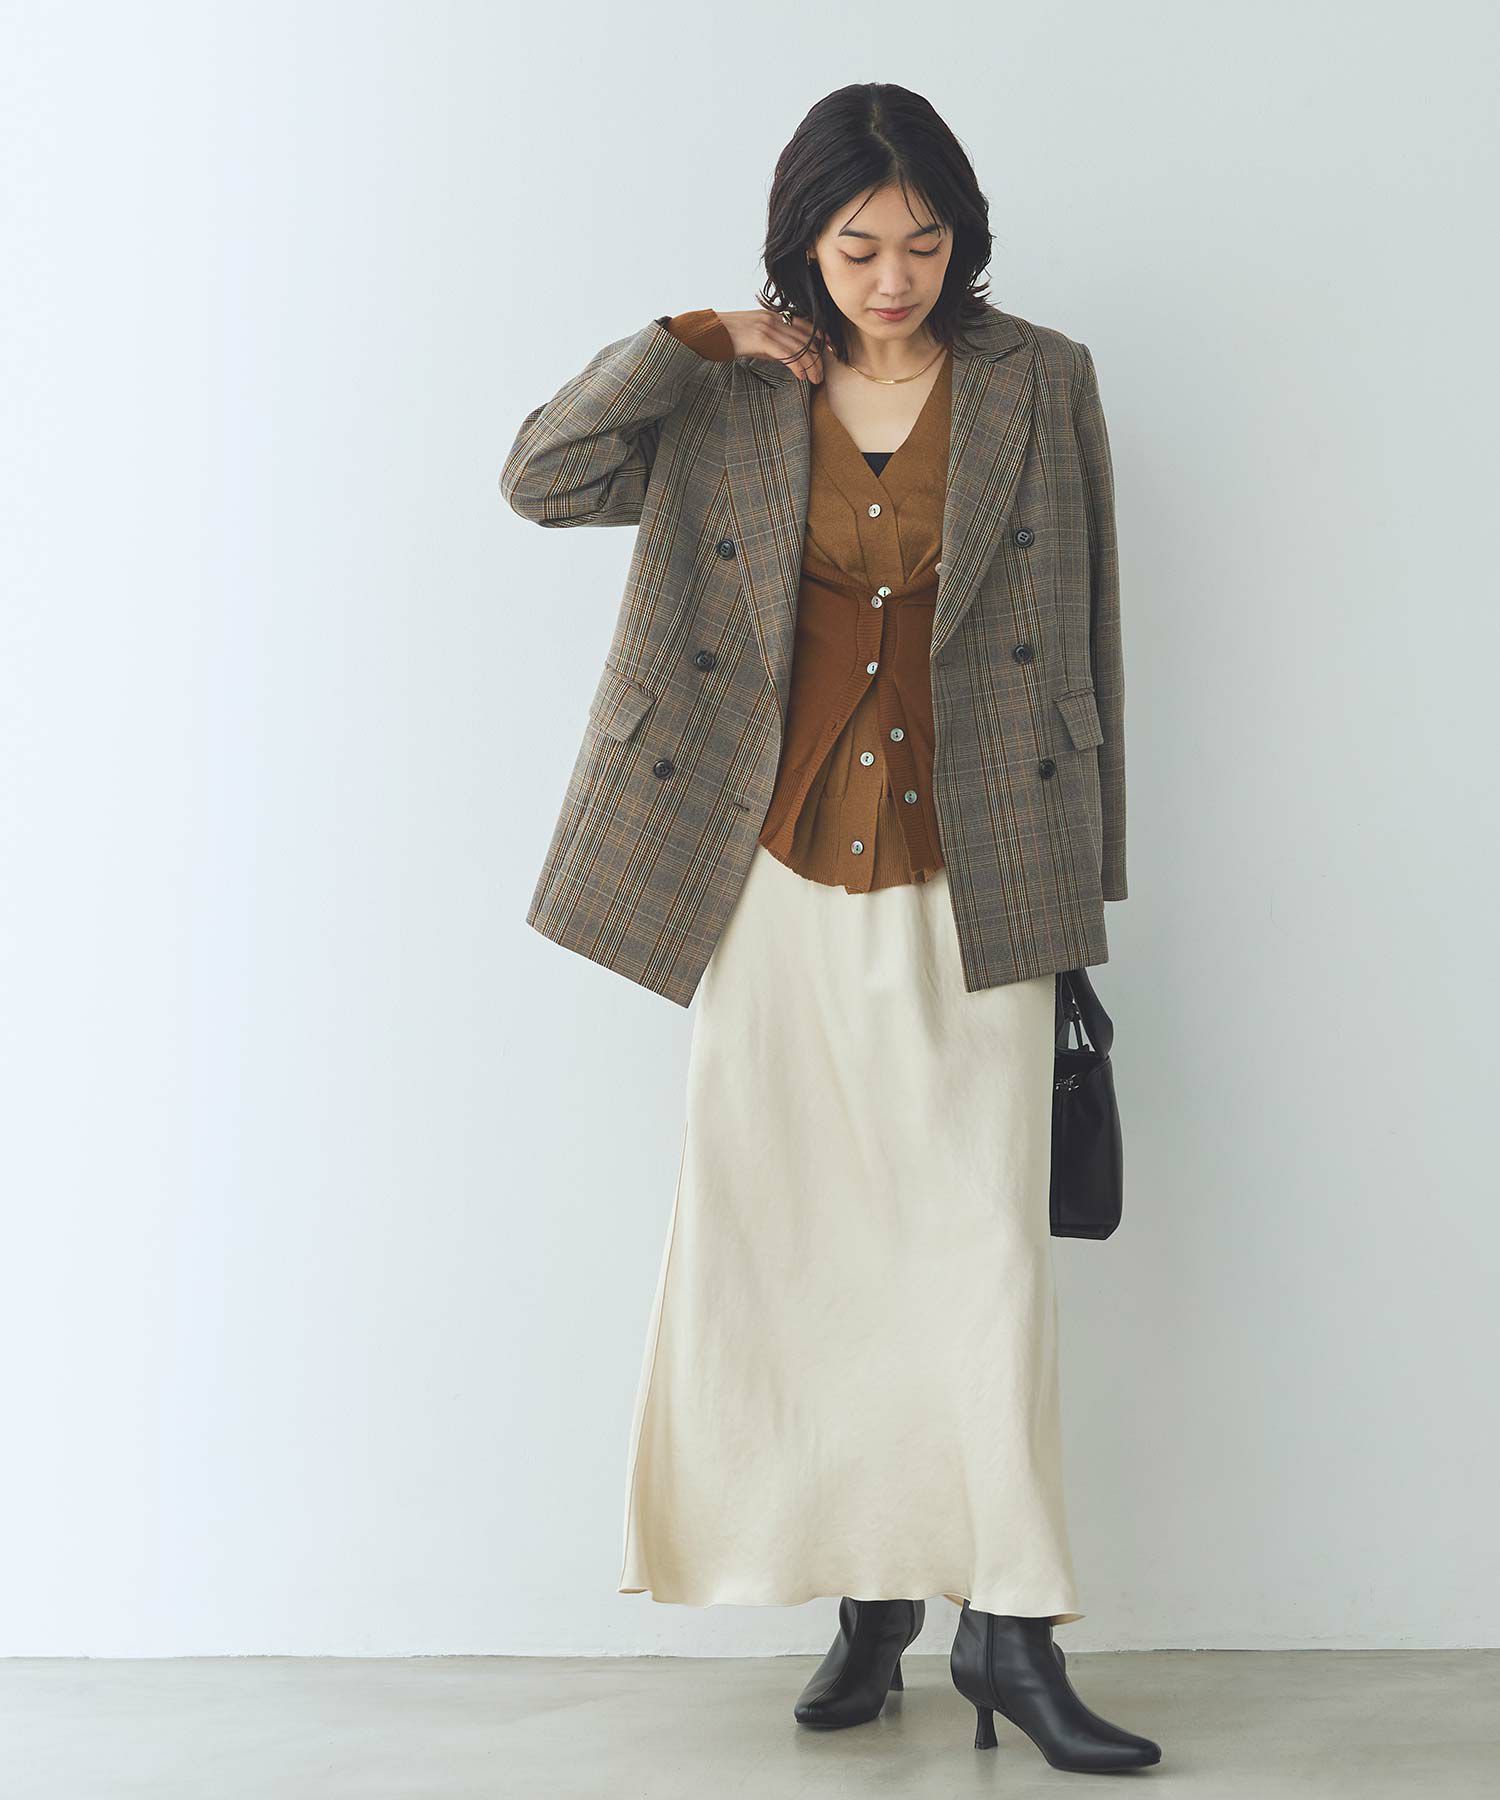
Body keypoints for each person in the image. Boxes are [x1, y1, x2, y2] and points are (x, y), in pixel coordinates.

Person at [501, 81, 1160, 1773]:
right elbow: (542, 479)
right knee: (794, 1243)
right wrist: (686, 338)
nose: (892, 278)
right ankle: (868, 1600)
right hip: (771, 872)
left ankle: (1010, 1630)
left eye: (924, 243)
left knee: (981, 1254)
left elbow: (1089, 623)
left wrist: (1082, 877)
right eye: (858, 246)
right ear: (803, 242)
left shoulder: (1040, 378)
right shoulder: (730, 388)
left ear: (964, 239)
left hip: (979, 861)